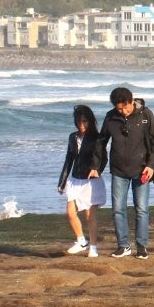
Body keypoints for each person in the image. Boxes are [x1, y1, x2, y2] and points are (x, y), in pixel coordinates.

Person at [100, 86, 154, 259]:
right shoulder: (111, 117)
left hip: (142, 170)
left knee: (141, 209)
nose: (123, 111)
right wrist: (95, 167)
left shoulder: (145, 115)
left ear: (131, 100)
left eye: (125, 107)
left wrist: (150, 165)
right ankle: (123, 245)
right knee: (118, 209)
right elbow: (101, 141)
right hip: (118, 171)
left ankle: (141, 246)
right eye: (119, 108)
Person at [57, 105, 107, 257]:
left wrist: (96, 169)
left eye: (85, 121)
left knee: (89, 216)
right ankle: (81, 241)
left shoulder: (97, 138)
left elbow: (103, 158)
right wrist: (62, 180)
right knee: (70, 213)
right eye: (78, 122)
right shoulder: (72, 137)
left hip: (91, 182)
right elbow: (69, 159)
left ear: (90, 121)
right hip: (75, 179)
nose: (82, 125)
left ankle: (93, 246)